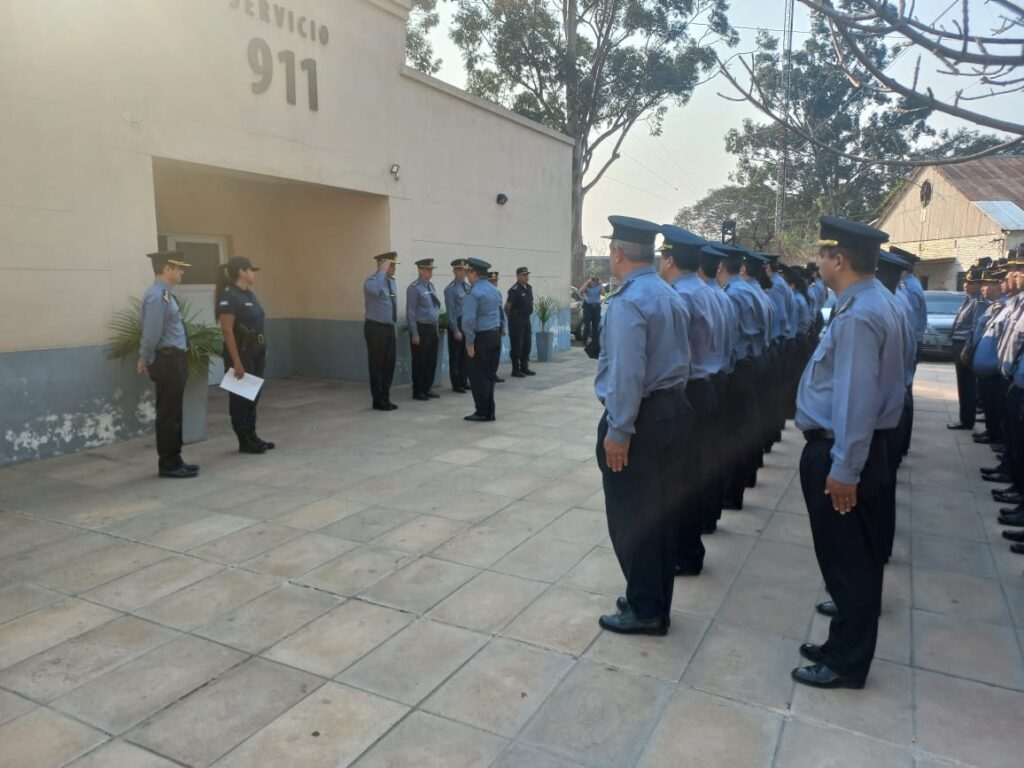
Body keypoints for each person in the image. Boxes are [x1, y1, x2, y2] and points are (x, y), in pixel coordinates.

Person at [792, 216, 906, 690]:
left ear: (839, 260)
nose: (817, 262)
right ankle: (842, 644)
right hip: (855, 447)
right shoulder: (872, 301)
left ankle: (846, 661)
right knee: (851, 558)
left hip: (842, 450)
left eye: (822, 254)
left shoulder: (860, 314)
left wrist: (844, 468)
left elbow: (856, 400)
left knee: (849, 561)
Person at [596, 216, 691, 636]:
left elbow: (626, 373)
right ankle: (650, 597)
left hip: (642, 418)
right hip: (672, 410)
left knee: (632, 516)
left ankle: (646, 608)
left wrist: (619, 430)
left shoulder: (629, 301)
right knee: (660, 515)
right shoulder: (668, 293)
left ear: (618, 254)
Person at [658, 225, 718, 573]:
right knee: (693, 473)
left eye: (662, 258)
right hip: (705, 385)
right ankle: (690, 550)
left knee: (679, 480)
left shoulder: (680, 295)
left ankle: (686, 553)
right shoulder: (706, 291)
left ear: (669, 260)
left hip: (688, 390)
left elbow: (672, 354)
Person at [138, 251, 199, 479]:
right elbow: (151, 333)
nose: (182, 272)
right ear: (167, 269)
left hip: (175, 359)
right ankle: (168, 464)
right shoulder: (157, 296)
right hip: (167, 361)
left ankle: (175, 458)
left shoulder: (165, 294)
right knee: (169, 414)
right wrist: (145, 358)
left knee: (174, 412)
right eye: (179, 268)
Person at [716, 243, 767, 510]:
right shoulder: (751, 290)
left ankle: (731, 493)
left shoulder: (734, 294)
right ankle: (743, 480)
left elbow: (731, 338)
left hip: (738, 368)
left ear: (720, 266)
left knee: (731, 434)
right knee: (743, 427)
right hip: (752, 362)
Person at [215, 256, 274, 454]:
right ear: (241, 272)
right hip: (241, 353)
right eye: (251, 270)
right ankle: (244, 440)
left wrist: (262, 347)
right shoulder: (229, 296)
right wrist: (236, 362)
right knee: (241, 398)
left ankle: (252, 435)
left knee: (253, 396)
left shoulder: (249, 294)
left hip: (256, 351)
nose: (253, 274)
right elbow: (227, 331)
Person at [462, 257, 504, 421]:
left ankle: (482, 411)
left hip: (481, 338)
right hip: (494, 335)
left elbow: (468, 320)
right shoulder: (493, 289)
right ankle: (490, 410)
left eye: (468, 272)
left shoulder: (473, 292)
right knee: (489, 375)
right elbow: (499, 312)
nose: (467, 276)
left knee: (478, 376)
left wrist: (469, 342)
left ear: (475, 273)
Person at [948, 267, 986, 430]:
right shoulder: (969, 299)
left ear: (979, 284)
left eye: (970, 282)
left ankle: (966, 420)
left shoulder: (979, 302)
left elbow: (975, 327)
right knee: (962, 383)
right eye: (965, 281)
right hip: (958, 343)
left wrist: (968, 348)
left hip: (965, 345)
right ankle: (964, 418)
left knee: (967, 384)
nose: (965, 284)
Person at [363, 251, 400, 411]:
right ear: (382, 264)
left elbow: (391, 305)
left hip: (389, 328)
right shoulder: (372, 281)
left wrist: (393, 327)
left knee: (388, 365)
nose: (393, 268)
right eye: (390, 265)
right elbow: (374, 291)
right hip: (376, 328)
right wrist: (381, 271)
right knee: (377, 365)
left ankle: (385, 397)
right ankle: (378, 400)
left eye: (394, 265)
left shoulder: (391, 282)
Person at [407, 258, 442, 401]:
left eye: (431, 270)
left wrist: (437, 328)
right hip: (421, 328)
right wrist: (414, 333)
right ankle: (418, 390)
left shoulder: (431, 286)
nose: (430, 272)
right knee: (420, 361)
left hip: (432, 328)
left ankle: (427, 388)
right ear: (420, 270)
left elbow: (435, 309)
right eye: (428, 270)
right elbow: (411, 312)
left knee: (431, 360)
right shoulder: (414, 288)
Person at [444, 258, 472, 394]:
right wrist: (455, 330)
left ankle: (464, 380)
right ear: (454, 271)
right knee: (455, 356)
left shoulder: (468, 287)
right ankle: (456, 384)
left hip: (467, 323)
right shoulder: (450, 289)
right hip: (457, 322)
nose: (462, 273)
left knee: (465, 355)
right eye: (460, 270)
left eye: (464, 270)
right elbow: (451, 312)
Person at [505, 267, 536, 377]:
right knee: (517, 345)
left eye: (527, 275)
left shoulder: (529, 288)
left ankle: (524, 367)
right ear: (518, 276)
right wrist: (512, 318)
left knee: (527, 344)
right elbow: (507, 307)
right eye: (524, 275)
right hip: (516, 320)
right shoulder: (514, 290)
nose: (526, 277)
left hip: (526, 319)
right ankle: (515, 369)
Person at [578, 275, 604, 344]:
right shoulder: (587, 286)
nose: (594, 281)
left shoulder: (599, 286)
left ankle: (595, 341)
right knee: (587, 325)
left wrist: (601, 284)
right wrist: (587, 282)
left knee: (596, 325)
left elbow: (603, 293)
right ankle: (584, 340)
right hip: (588, 306)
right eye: (593, 279)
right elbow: (580, 291)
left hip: (596, 307)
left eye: (595, 279)